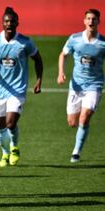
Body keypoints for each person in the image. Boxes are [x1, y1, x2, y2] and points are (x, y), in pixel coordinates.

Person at [0, 7, 43, 167]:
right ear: (2, 23)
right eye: (6, 21)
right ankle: (5, 153)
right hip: (0, 90)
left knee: (10, 123)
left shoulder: (25, 42)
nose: (9, 24)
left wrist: (39, 80)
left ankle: (14, 147)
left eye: (12, 21)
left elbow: (38, 59)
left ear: (17, 23)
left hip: (18, 89)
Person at [57, 9, 105, 163]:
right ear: (84, 21)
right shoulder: (75, 39)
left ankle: (76, 152)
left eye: (94, 19)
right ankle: (79, 136)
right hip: (76, 86)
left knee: (85, 118)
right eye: (88, 19)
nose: (91, 21)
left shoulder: (103, 43)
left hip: (94, 85)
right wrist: (60, 73)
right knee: (72, 122)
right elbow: (63, 54)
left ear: (99, 22)